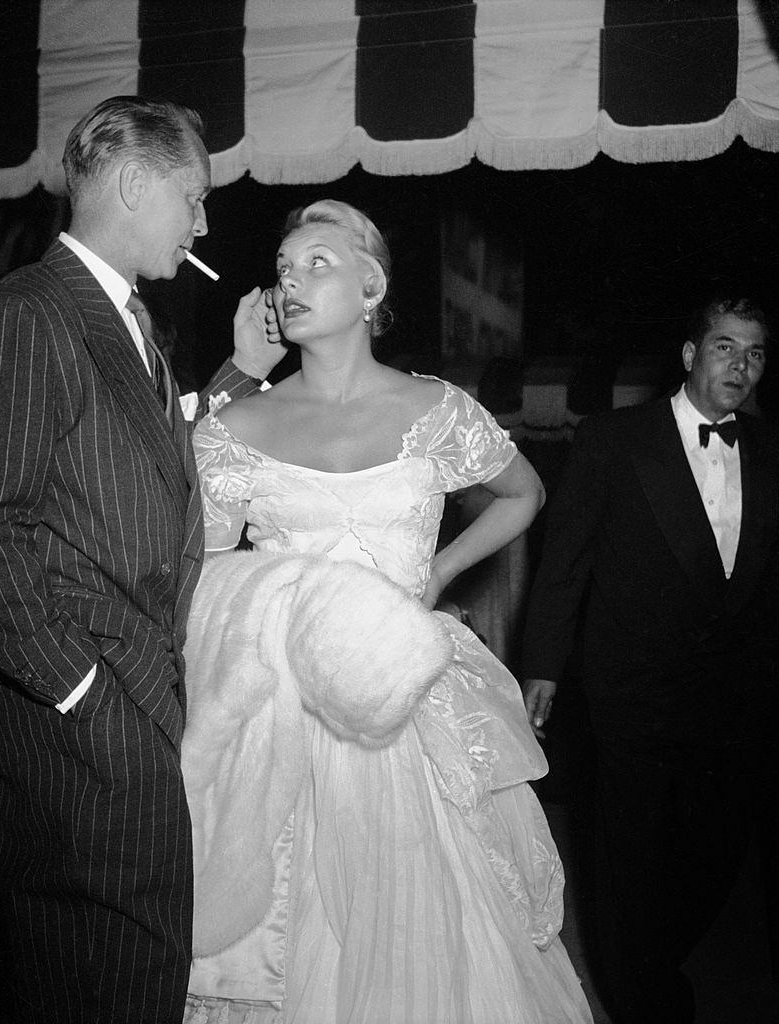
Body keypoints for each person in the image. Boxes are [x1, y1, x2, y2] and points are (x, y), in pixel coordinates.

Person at [180, 200, 594, 1024]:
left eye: (317, 262)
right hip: (282, 715)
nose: (290, 278)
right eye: (283, 266)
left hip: (413, 714)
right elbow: (208, 575)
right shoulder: (233, 428)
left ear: (371, 288)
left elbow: (523, 493)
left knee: (434, 935)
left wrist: (437, 574)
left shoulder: (434, 409)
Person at [0, 96, 285, 1024]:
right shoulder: (30, 314)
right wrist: (78, 691)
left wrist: (236, 377)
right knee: (115, 978)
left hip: (127, 702)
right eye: (193, 196)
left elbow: (144, 464)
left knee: (117, 977)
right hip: (85, 714)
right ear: (132, 182)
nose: (204, 222)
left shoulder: (119, 317)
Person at [521, 294, 779, 1024]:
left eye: (755, 353)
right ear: (688, 354)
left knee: (714, 856)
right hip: (631, 691)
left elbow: (774, 585)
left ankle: (648, 962)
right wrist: (543, 665)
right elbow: (564, 562)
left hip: (732, 701)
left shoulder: (773, 451)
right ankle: (641, 996)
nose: (740, 366)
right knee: (627, 861)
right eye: (724, 347)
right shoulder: (613, 439)